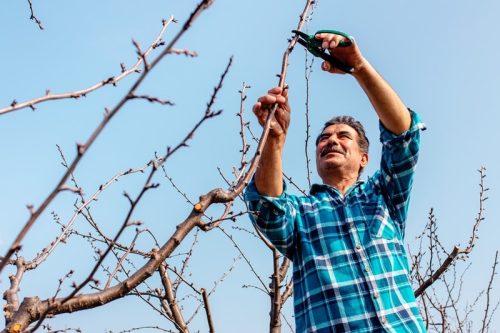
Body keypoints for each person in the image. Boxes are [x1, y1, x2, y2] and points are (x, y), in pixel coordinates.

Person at [245, 32, 427, 332]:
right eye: (323, 138)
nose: (331, 141)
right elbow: (267, 207)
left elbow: (404, 136)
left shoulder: (384, 196)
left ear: (364, 158)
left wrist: (358, 65)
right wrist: (274, 140)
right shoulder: (302, 213)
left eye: (344, 137)